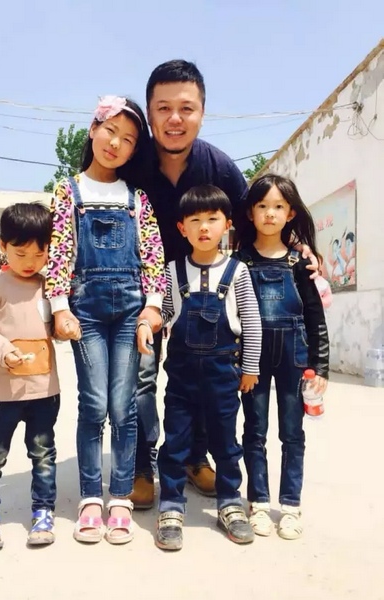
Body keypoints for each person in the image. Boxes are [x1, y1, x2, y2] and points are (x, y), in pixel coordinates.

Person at [128, 59, 319, 509]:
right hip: (143, 291)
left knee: (199, 373)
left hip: (207, 288)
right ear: (150, 114)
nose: (175, 119)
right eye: (163, 108)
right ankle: (141, 466)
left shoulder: (218, 165)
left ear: (202, 112)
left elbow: (256, 217)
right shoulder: (133, 165)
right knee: (142, 381)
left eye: (186, 108)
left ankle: (196, 459)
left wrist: (297, 247)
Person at [45, 96, 166, 545]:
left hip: (132, 311)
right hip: (87, 312)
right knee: (94, 404)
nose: (116, 143)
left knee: (124, 406)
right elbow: (60, 251)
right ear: (93, 130)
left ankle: (120, 499)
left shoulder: (137, 199)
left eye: (128, 139)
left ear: (134, 151)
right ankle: (91, 499)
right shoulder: (68, 191)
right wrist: (60, 307)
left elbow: (153, 255)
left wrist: (153, 306)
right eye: (110, 131)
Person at [155, 185, 262, 550]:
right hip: (181, 377)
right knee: (175, 441)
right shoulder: (173, 271)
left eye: (212, 219)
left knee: (225, 442)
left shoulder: (238, 271)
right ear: (181, 228)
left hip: (223, 376)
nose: (204, 227)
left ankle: (230, 502)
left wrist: (250, 367)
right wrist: (148, 321)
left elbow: (251, 321)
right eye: (195, 220)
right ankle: (171, 506)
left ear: (227, 225)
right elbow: (165, 312)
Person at [234, 174, 330, 541]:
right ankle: (258, 502)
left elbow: (315, 317)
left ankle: (290, 506)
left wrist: (320, 366)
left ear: (290, 213)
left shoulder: (299, 263)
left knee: (292, 433)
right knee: (254, 431)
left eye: (278, 206)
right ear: (250, 212)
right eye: (262, 206)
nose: (270, 213)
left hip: (294, 357)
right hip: (252, 360)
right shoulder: (239, 262)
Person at [0, 203, 60, 551]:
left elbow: (57, 326)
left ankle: (43, 512)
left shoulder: (50, 286)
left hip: (45, 392)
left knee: (43, 455)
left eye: (39, 253)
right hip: (2, 395)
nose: (30, 261)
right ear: (3, 246)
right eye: (21, 253)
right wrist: (4, 351)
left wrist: (66, 326)